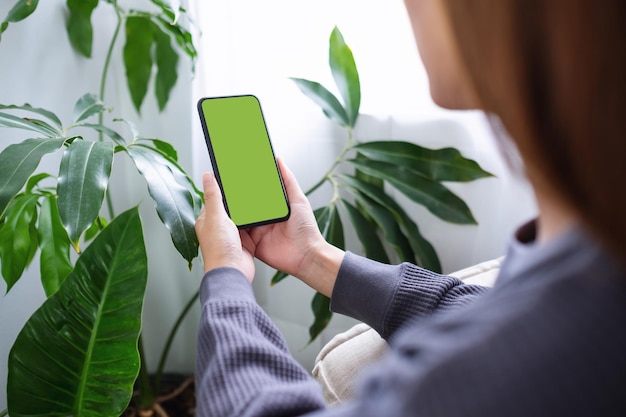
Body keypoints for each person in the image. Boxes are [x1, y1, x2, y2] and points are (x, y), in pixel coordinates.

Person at [193, 0, 626, 416]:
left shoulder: (517, 365)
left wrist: (226, 279)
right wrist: (313, 256)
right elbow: (485, 310)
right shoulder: (595, 256)